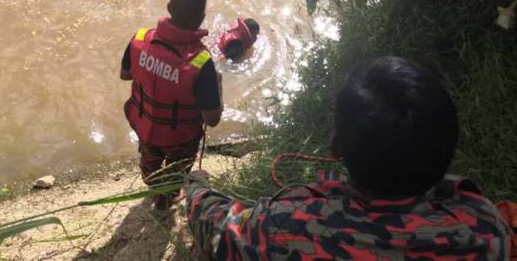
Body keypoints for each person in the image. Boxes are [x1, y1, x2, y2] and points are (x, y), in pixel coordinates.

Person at [185, 56, 510, 260]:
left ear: (335, 146)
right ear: (446, 151)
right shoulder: (486, 229)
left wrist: (197, 188)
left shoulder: (285, 224)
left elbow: (213, 227)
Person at [121, 0, 223, 211]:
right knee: (175, 176)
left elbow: (125, 74)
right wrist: (218, 85)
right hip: (182, 139)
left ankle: (153, 188)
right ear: (202, 17)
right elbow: (212, 119)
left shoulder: (140, 38)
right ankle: (164, 204)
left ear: (169, 7)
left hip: (146, 128)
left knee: (150, 168)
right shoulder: (201, 62)